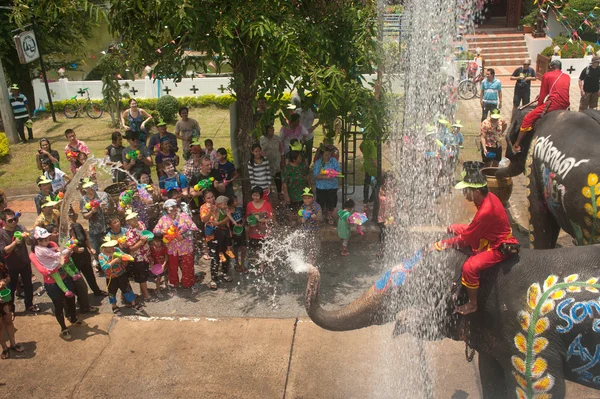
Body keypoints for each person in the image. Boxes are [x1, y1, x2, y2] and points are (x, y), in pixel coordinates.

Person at [432, 170, 519, 315]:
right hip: (488, 232)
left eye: (466, 190)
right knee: (454, 228)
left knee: (469, 268)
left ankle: (473, 304)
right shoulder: (487, 198)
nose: (464, 193)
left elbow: (467, 239)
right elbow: (474, 228)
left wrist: (444, 244)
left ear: (477, 192)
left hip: (498, 244)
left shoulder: (486, 211)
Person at [30, 242, 86, 340]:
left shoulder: (51, 245)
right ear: (36, 240)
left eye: (46, 237)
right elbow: (43, 271)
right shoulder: (34, 254)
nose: (46, 240)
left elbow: (64, 258)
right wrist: (58, 264)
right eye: (43, 238)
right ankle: (63, 328)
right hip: (52, 284)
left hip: (66, 278)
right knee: (59, 305)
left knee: (71, 299)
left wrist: (67, 253)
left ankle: (73, 319)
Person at [513, 59, 571, 152]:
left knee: (528, 118)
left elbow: (543, 93)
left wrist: (538, 106)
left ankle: (517, 144)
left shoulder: (547, 75)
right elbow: (557, 90)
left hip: (553, 104)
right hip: (566, 105)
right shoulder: (567, 76)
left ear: (551, 67)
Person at [153, 199, 199, 291]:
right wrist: (161, 231)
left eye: (175, 206)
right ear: (166, 209)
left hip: (186, 247)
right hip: (172, 248)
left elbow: (194, 228)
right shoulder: (163, 219)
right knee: (172, 267)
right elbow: (155, 231)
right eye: (171, 207)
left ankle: (188, 283)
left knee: (188, 266)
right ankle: (174, 283)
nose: (174, 209)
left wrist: (184, 235)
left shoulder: (184, 216)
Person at [0, 209, 40, 313]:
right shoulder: (1, 233)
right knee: (11, 289)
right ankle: (11, 310)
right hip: (10, 266)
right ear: (3, 221)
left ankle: (29, 305)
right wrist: (15, 242)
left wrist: (28, 238)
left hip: (24, 263)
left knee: (28, 285)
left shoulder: (21, 228)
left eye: (15, 219)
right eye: (10, 220)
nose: (13, 222)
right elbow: (4, 251)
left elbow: (31, 243)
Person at [99, 239, 143, 316]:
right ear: (104, 247)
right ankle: (114, 306)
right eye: (110, 246)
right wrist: (114, 261)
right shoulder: (101, 256)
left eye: (112, 246)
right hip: (111, 278)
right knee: (112, 293)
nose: (112, 247)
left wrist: (126, 259)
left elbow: (124, 255)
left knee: (127, 289)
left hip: (121, 274)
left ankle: (133, 303)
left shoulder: (116, 250)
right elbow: (105, 267)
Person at [69, 207, 106, 296]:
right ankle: (81, 297)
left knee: (90, 275)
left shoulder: (77, 226)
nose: (71, 217)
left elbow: (85, 239)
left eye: (72, 214)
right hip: (73, 258)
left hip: (84, 255)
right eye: (69, 215)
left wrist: (91, 248)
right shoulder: (63, 231)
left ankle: (97, 291)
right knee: (77, 280)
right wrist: (75, 249)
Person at [33, 227, 79, 298]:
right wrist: (67, 250)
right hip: (52, 265)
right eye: (45, 240)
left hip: (49, 266)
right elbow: (56, 255)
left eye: (48, 239)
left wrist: (55, 248)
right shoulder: (44, 250)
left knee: (58, 279)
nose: (48, 241)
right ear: (39, 241)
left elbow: (49, 251)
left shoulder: (37, 247)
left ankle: (66, 290)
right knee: (63, 266)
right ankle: (73, 276)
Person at [124, 210, 153, 302]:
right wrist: (141, 241)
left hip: (146, 254)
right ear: (128, 222)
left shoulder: (141, 224)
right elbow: (131, 248)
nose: (135, 220)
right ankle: (147, 296)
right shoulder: (130, 233)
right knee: (141, 276)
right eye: (131, 219)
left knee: (144, 273)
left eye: (135, 217)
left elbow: (146, 233)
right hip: (138, 257)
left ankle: (143, 291)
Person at [80, 179, 111, 263]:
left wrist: (104, 207)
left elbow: (109, 209)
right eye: (88, 187)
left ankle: (110, 265)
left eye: (91, 186)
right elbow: (85, 216)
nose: (90, 188)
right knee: (96, 250)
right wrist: (92, 212)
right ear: (84, 189)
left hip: (106, 227)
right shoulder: (83, 200)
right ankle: (98, 264)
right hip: (94, 229)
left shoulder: (102, 195)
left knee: (109, 247)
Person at [246, 186, 273, 273]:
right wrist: (250, 222)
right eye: (253, 195)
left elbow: (271, 218)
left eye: (257, 196)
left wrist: (263, 220)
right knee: (255, 249)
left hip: (264, 231)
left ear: (261, 195)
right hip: (253, 231)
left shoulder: (267, 204)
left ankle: (263, 266)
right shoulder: (249, 205)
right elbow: (247, 216)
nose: (255, 197)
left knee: (264, 249)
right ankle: (256, 265)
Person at [0, 260, 24, 359]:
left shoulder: (0, 265)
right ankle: (4, 348)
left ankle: (13, 344)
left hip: (4, 299)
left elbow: (8, 277)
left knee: (9, 322)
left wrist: (4, 281)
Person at [313, 145, 342, 224]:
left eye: (329, 154)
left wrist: (334, 173)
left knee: (331, 202)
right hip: (321, 187)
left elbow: (339, 172)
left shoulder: (334, 161)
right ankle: (321, 217)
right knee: (321, 202)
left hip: (332, 186)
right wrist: (326, 177)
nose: (328, 156)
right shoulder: (318, 163)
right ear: (322, 155)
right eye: (326, 155)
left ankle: (329, 216)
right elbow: (316, 175)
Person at [282, 150, 309, 222]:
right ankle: (292, 222)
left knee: (302, 208)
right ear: (294, 159)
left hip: (302, 192)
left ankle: (302, 221)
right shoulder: (287, 169)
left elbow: (307, 177)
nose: (301, 159)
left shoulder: (302, 165)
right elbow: (284, 184)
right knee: (293, 209)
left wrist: (310, 189)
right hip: (292, 193)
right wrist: (286, 195)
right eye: (299, 158)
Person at [293, 95, 320, 166]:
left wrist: (315, 126)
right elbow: (293, 121)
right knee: (298, 152)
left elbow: (321, 118)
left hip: (309, 135)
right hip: (299, 136)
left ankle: (307, 167)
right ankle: (299, 167)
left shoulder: (312, 111)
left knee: (308, 152)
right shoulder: (298, 111)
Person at [259, 124, 284, 200]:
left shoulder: (277, 139)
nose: (272, 131)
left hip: (276, 160)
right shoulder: (261, 139)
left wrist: (282, 161)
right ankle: (267, 193)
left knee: (277, 177)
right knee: (267, 178)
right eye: (270, 130)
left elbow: (281, 151)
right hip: (266, 162)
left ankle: (279, 192)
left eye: (273, 129)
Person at [298, 187, 323, 263]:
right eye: (305, 198)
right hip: (306, 228)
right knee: (307, 242)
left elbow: (320, 218)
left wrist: (316, 217)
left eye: (309, 198)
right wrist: (301, 219)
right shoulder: (303, 206)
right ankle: (309, 256)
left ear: (313, 198)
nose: (307, 200)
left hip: (315, 229)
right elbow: (299, 217)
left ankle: (313, 257)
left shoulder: (317, 206)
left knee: (315, 243)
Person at [377, 172, 395, 258]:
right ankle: (381, 250)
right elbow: (381, 199)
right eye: (387, 180)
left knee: (390, 232)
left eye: (390, 180)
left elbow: (394, 202)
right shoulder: (382, 189)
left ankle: (390, 251)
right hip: (382, 216)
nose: (388, 182)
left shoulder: (395, 190)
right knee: (382, 233)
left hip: (391, 216)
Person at [229, 195, 247, 273]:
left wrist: (242, 224)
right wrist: (231, 230)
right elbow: (228, 222)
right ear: (231, 203)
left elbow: (244, 217)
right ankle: (237, 263)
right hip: (234, 229)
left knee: (243, 247)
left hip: (241, 229)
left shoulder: (239, 208)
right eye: (235, 201)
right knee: (235, 247)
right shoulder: (229, 211)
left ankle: (242, 264)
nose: (237, 202)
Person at [360, 139, 377, 213]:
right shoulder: (372, 145)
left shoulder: (366, 140)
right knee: (377, 183)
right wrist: (379, 168)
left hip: (367, 165)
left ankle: (366, 200)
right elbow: (373, 160)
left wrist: (365, 155)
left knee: (366, 183)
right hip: (372, 168)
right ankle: (372, 199)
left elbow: (360, 147)